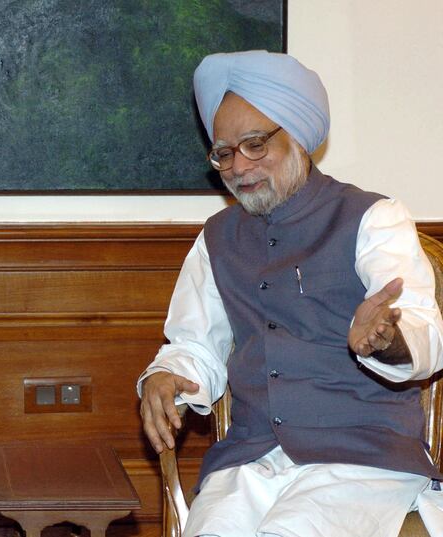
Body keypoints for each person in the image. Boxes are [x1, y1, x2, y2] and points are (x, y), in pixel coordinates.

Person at [138, 51, 443, 537]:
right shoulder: (215, 239)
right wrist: (165, 377)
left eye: (255, 144)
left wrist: (387, 337)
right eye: (223, 152)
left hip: (361, 460)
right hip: (252, 460)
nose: (239, 166)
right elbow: (196, 346)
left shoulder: (374, 218)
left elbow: (425, 330)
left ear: (297, 135)